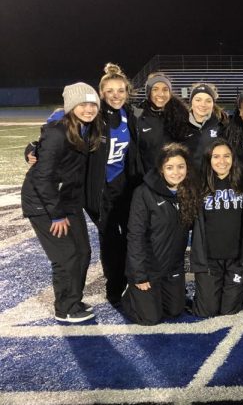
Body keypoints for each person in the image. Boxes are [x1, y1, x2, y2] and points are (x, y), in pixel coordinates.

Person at [21, 83, 102, 323]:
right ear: (71, 106)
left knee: (83, 252)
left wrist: (34, 145)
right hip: (43, 202)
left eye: (92, 104)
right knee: (66, 255)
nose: (88, 109)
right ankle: (65, 308)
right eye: (82, 104)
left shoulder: (88, 128)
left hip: (68, 198)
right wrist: (56, 214)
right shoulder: (57, 132)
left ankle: (73, 300)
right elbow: (42, 178)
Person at [123, 143, 201, 325]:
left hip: (173, 267)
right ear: (160, 169)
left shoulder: (188, 190)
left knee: (175, 311)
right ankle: (130, 294)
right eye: (170, 167)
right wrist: (139, 275)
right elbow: (135, 236)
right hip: (149, 268)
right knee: (150, 318)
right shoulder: (143, 193)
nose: (176, 172)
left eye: (181, 167)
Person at [86, 64, 144, 305]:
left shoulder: (129, 114)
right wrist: (35, 147)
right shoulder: (93, 117)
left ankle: (134, 279)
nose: (116, 95)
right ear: (102, 93)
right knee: (110, 240)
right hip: (102, 190)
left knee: (132, 235)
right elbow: (62, 125)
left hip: (126, 186)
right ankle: (114, 286)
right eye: (110, 91)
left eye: (120, 90)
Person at [190, 139, 243, 317]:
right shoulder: (198, 184)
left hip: (237, 260)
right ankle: (204, 293)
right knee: (207, 312)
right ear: (208, 159)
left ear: (233, 158)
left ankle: (242, 290)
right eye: (216, 156)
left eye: (227, 156)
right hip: (209, 260)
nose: (222, 161)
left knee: (229, 312)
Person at [133, 72, 190, 175]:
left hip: (176, 178)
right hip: (149, 180)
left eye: (165, 89)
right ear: (148, 92)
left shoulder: (182, 115)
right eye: (155, 89)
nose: (161, 94)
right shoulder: (138, 116)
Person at [183, 82, 228, 169]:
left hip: (212, 178)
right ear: (191, 101)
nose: (203, 104)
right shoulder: (180, 125)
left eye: (208, 101)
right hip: (188, 179)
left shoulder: (222, 125)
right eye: (198, 100)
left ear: (213, 104)